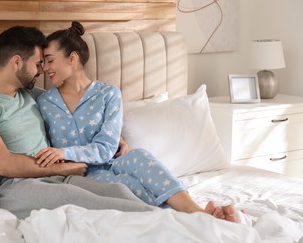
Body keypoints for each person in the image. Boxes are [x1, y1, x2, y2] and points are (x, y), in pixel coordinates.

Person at [36, 21, 238, 222]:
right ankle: (197, 219)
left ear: (72, 58)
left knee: (140, 156)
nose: (44, 68)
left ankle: (197, 212)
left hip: (113, 161)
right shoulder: (45, 101)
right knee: (126, 186)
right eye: (43, 62)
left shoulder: (108, 94)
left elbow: (106, 147)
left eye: (49, 60)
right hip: (83, 174)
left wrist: (66, 151)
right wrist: (64, 156)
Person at [0, 25, 162, 219]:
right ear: (16, 62)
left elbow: (74, 108)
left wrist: (117, 136)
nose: (42, 70)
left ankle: (167, 220)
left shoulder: (30, 94)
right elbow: (5, 164)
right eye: (38, 63)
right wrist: (62, 168)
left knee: (118, 191)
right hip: (19, 185)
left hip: (58, 178)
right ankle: (164, 223)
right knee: (84, 201)